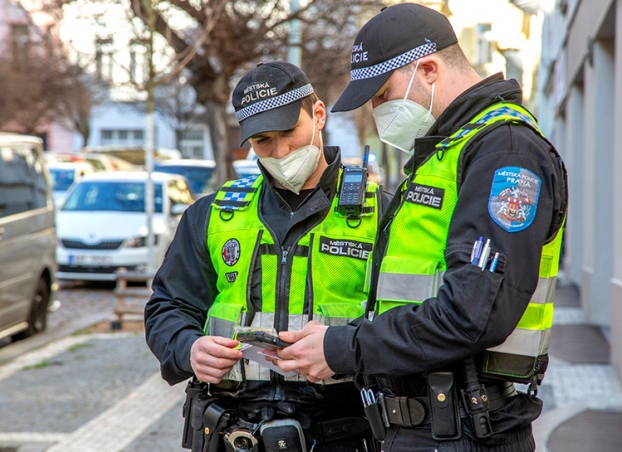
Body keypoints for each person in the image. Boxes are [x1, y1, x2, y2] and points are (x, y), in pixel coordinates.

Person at [275, 4, 568, 451]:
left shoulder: (505, 152)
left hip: (465, 429)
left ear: (428, 70)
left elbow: (474, 313)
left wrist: (344, 348)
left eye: (381, 94)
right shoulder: (450, 149)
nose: (377, 109)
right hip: (429, 427)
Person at [144, 61, 390, 452]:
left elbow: (408, 321)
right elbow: (168, 307)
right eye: (262, 141)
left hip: (342, 431)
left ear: (319, 114)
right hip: (230, 430)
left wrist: (343, 347)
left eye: (289, 131)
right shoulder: (212, 215)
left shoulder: (382, 215)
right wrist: (187, 348)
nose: (280, 151)